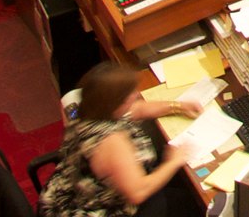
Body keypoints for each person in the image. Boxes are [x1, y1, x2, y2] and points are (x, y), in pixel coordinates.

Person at [39, 62, 203, 217]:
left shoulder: (89, 109)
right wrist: (173, 161)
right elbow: (138, 193)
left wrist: (177, 106)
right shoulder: (112, 142)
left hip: (68, 194)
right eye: (130, 93)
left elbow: (137, 109)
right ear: (117, 103)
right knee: (191, 203)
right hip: (95, 209)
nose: (137, 94)